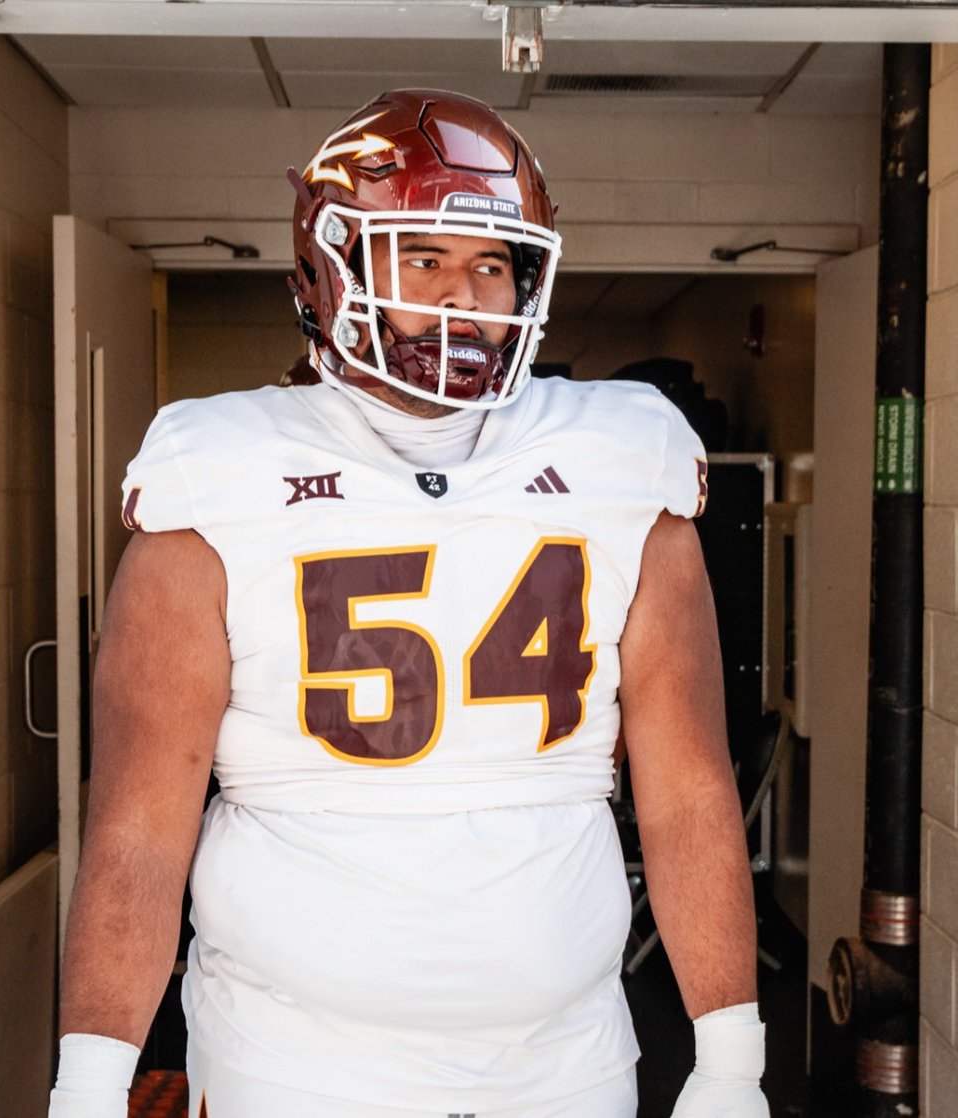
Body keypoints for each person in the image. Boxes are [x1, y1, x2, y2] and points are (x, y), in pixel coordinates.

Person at [48, 89, 768, 1118]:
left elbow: (691, 789)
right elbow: (138, 828)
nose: (462, 296)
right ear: (332, 267)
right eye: (422, 258)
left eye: (492, 264)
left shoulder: (623, 457)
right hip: (292, 1065)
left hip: (563, 1062)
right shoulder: (217, 473)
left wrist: (732, 1057)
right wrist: (88, 1082)